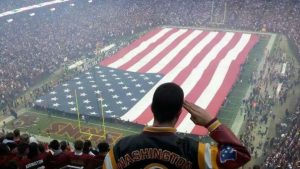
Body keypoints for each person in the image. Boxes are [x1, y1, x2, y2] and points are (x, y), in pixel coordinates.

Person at [103, 82, 251, 169]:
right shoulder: (195, 151)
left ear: (152, 108)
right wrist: (211, 123)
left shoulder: (120, 149)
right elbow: (241, 154)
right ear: (180, 113)